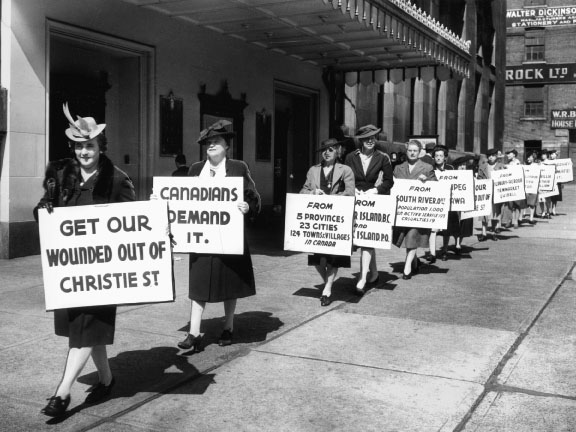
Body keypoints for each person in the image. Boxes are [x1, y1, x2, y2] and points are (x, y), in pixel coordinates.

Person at [35, 103, 135, 417]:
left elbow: (134, 221)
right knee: (88, 333)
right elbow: (42, 208)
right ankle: (106, 381)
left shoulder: (116, 180)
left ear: (100, 146)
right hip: (70, 271)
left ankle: (62, 393)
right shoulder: (60, 173)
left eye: (89, 146)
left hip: (103, 272)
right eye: (79, 146)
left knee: (86, 331)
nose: (84, 152)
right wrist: (43, 211)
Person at [178, 120, 260, 353]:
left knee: (229, 282)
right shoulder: (195, 169)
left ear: (227, 146)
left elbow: (253, 195)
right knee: (199, 282)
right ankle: (194, 332)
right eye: (208, 142)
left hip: (229, 236)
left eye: (216, 141)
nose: (211, 145)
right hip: (202, 237)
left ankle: (228, 326)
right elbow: (182, 200)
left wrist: (248, 206)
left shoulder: (238, 168)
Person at [300, 138, 355, 306]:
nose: (327, 152)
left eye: (331, 149)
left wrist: (331, 198)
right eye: (324, 150)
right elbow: (303, 190)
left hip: (337, 219)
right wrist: (312, 193)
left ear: (337, 151)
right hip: (317, 219)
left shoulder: (345, 170)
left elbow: (350, 192)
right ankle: (327, 282)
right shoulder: (313, 170)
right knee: (317, 257)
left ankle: (327, 289)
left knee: (333, 257)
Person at [345, 124, 394, 294]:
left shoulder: (383, 157)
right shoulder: (350, 157)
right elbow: (346, 177)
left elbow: (389, 181)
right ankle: (373, 273)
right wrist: (353, 190)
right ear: (361, 140)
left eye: (373, 137)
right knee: (362, 238)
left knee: (367, 238)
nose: (370, 141)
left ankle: (362, 278)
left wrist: (375, 190)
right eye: (367, 138)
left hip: (373, 203)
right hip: (355, 201)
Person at [393, 140, 436, 279]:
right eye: (410, 150)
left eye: (415, 151)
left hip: (418, 211)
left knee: (412, 235)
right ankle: (415, 260)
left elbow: (437, 188)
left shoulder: (427, 167)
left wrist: (428, 181)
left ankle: (407, 267)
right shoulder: (398, 168)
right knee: (406, 236)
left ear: (420, 152)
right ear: (406, 151)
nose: (412, 153)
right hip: (403, 210)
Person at [429, 145, 457, 262]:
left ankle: (444, 250)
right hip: (434, 203)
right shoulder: (430, 168)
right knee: (433, 229)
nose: (438, 158)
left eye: (441, 156)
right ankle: (432, 253)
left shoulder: (450, 168)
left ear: (445, 158)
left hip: (447, 203)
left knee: (446, 229)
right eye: (436, 156)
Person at [477, 148, 505, 241]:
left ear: (496, 156)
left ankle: (494, 231)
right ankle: (484, 232)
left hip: (496, 193)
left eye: (493, 156)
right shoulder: (483, 166)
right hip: (486, 192)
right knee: (484, 213)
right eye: (489, 156)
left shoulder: (501, 166)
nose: (491, 158)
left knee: (495, 212)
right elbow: (479, 178)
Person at [502, 149, 525, 229]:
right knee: (510, 204)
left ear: (514, 155)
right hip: (510, 186)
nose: (507, 155)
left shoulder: (517, 163)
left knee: (517, 204)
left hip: (516, 186)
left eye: (509, 154)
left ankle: (516, 221)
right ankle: (510, 220)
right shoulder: (508, 163)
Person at [522, 153, 538, 225]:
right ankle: (521, 217)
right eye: (527, 157)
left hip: (532, 186)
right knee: (524, 202)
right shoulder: (525, 166)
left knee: (532, 203)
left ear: (533, 158)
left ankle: (531, 218)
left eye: (529, 157)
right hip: (526, 186)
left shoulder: (536, 166)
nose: (528, 159)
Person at [538, 150, 552, 218]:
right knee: (540, 198)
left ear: (547, 155)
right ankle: (543, 212)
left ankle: (548, 211)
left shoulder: (550, 162)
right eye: (542, 154)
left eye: (544, 154)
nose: (542, 156)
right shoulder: (540, 163)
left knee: (547, 198)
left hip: (547, 182)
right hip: (541, 183)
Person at [548, 149, 562, 216]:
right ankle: (549, 209)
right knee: (550, 196)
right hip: (550, 181)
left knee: (556, 197)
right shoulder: (548, 162)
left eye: (553, 154)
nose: (552, 155)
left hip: (557, 181)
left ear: (556, 155)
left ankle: (554, 209)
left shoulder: (560, 162)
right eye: (551, 154)